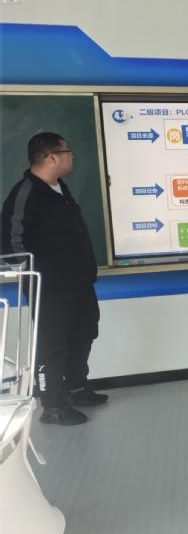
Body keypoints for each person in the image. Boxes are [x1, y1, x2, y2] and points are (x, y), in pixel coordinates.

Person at [1, 132, 107, 425]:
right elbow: (13, 246)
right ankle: (53, 406)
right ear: (51, 157)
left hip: (78, 283)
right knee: (53, 344)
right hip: (50, 288)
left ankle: (76, 388)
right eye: (67, 151)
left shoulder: (59, 188)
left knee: (84, 332)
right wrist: (44, 275)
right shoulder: (25, 193)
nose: (72, 156)